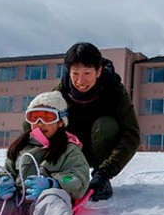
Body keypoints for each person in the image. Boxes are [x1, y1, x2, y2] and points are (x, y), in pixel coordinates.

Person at [53, 42, 140, 201]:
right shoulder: (60, 92)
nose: (80, 81)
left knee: (106, 126)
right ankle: (65, 173)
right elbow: (37, 128)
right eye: (75, 73)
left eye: (87, 73)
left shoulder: (114, 90)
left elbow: (132, 135)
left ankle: (100, 179)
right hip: (72, 150)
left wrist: (105, 172)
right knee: (41, 120)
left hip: (100, 151)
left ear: (98, 71)